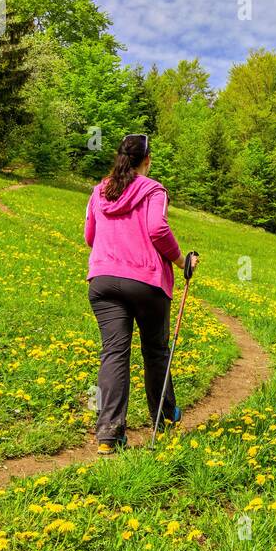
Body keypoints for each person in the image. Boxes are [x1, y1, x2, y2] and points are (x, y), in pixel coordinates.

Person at [83, 133, 192, 453]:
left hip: (103, 281)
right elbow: (157, 229)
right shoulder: (153, 189)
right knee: (155, 351)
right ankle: (166, 418)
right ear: (147, 160)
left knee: (114, 353)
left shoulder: (99, 191)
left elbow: (90, 236)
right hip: (145, 282)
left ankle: (108, 435)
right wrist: (180, 260)